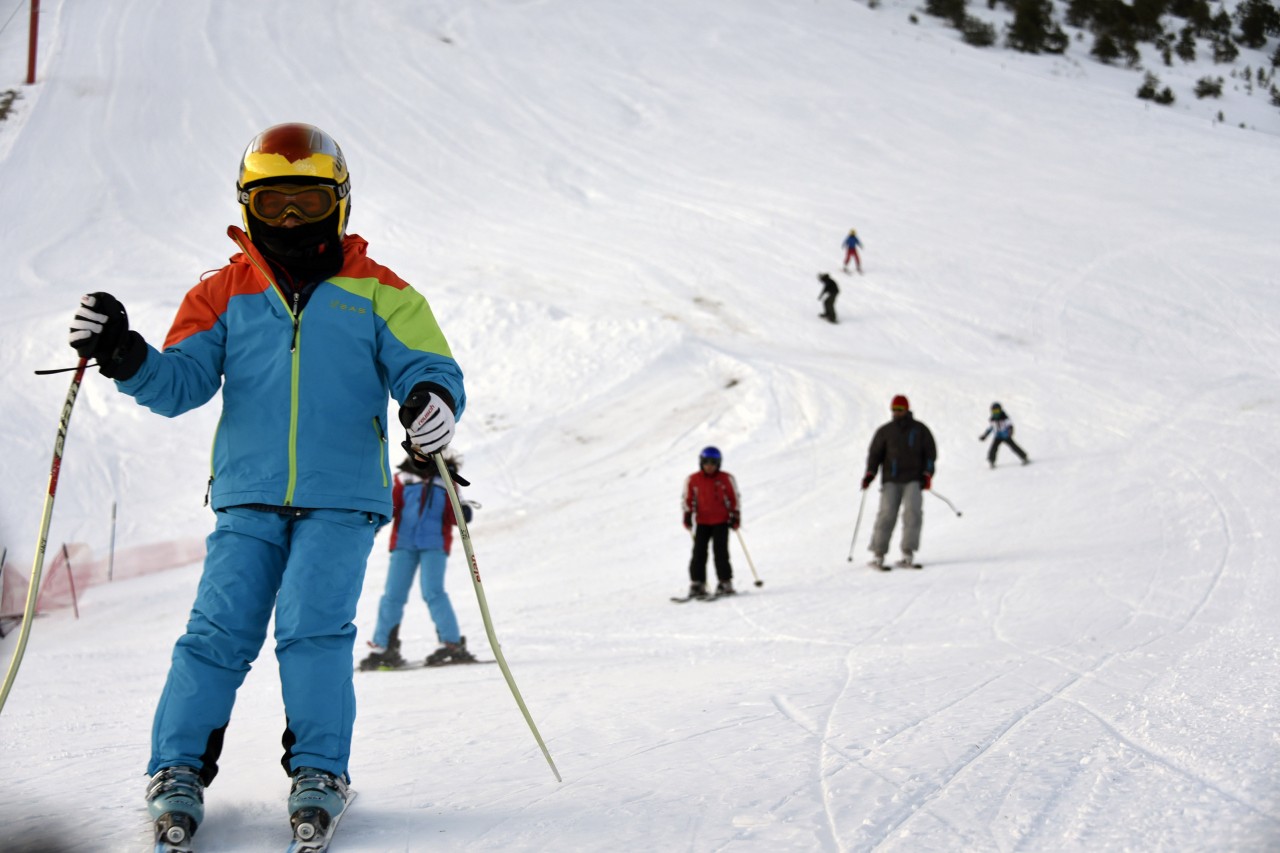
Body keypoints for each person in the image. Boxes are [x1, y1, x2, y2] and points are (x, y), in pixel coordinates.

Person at [67, 123, 465, 847]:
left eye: (306, 203)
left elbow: (427, 364)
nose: (289, 220)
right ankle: (177, 768)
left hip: (343, 496)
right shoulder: (223, 291)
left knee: (312, 629)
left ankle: (319, 770)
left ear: (337, 204)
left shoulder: (380, 291)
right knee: (214, 634)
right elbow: (179, 383)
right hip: (249, 495)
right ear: (247, 204)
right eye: (274, 202)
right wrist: (124, 354)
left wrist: (430, 400)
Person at [360, 454, 476, 671]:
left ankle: (452, 644)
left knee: (433, 592)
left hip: (435, 545)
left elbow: (454, 515)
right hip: (404, 544)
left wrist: (463, 511)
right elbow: (390, 507)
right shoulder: (403, 478)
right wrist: (374, 523)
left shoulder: (446, 480)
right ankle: (383, 646)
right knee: (393, 595)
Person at [860, 395, 936, 569]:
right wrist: (870, 475)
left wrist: (927, 474)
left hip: (914, 479)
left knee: (912, 513)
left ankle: (907, 553)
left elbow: (930, 454)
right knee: (886, 514)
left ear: (907, 409)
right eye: (894, 409)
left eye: (900, 409)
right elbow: (875, 455)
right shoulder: (885, 431)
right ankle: (878, 554)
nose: (896, 412)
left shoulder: (920, 430)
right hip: (891, 480)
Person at [681, 446, 740, 598]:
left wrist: (735, 515)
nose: (709, 466)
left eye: (713, 462)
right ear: (701, 462)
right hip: (702, 522)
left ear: (719, 463)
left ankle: (725, 582)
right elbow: (688, 499)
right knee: (698, 553)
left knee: (721, 553)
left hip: (721, 521)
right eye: (706, 462)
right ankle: (697, 583)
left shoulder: (726, 478)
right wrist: (687, 514)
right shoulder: (693, 479)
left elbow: (734, 498)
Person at [979, 402, 1029, 468]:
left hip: (1005, 436)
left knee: (1013, 446)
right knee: (993, 448)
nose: (996, 413)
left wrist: (1010, 431)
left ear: (1000, 410)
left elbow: (1010, 425)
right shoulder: (992, 420)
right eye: (994, 411)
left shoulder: (1005, 418)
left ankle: (1024, 457)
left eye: (997, 411)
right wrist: (985, 435)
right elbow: (991, 428)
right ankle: (991, 461)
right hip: (998, 436)